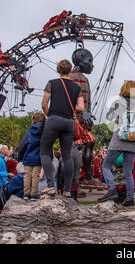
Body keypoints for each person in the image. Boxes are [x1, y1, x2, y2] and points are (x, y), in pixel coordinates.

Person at [97, 80, 135, 206]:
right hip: (133, 139)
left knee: (106, 166)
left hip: (119, 138)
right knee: (128, 171)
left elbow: (109, 117)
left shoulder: (119, 102)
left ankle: (112, 188)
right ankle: (130, 199)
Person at [40, 60, 84, 197]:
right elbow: (80, 108)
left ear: (58, 70)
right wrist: (70, 108)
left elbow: (44, 104)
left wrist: (50, 115)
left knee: (45, 152)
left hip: (54, 119)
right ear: (70, 71)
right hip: (69, 122)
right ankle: (67, 189)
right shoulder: (77, 88)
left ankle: (50, 185)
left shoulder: (52, 83)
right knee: (67, 156)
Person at [70, 47, 98, 186]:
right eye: (89, 61)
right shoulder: (74, 76)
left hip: (82, 119)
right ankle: (77, 179)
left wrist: (87, 112)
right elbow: (74, 96)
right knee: (77, 147)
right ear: (80, 60)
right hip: (76, 120)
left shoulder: (82, 78)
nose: (92, 65)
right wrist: (83, 112)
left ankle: (86, 177)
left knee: (89, 143)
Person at [17, 111, 46, 200]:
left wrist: (19, 157)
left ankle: (26, 193)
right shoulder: (45, 132)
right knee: (35, 176)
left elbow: (23, 145)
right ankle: (33, 194)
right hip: (38, 157)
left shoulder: (29, 132)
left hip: (28, 156)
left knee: (27, 175)